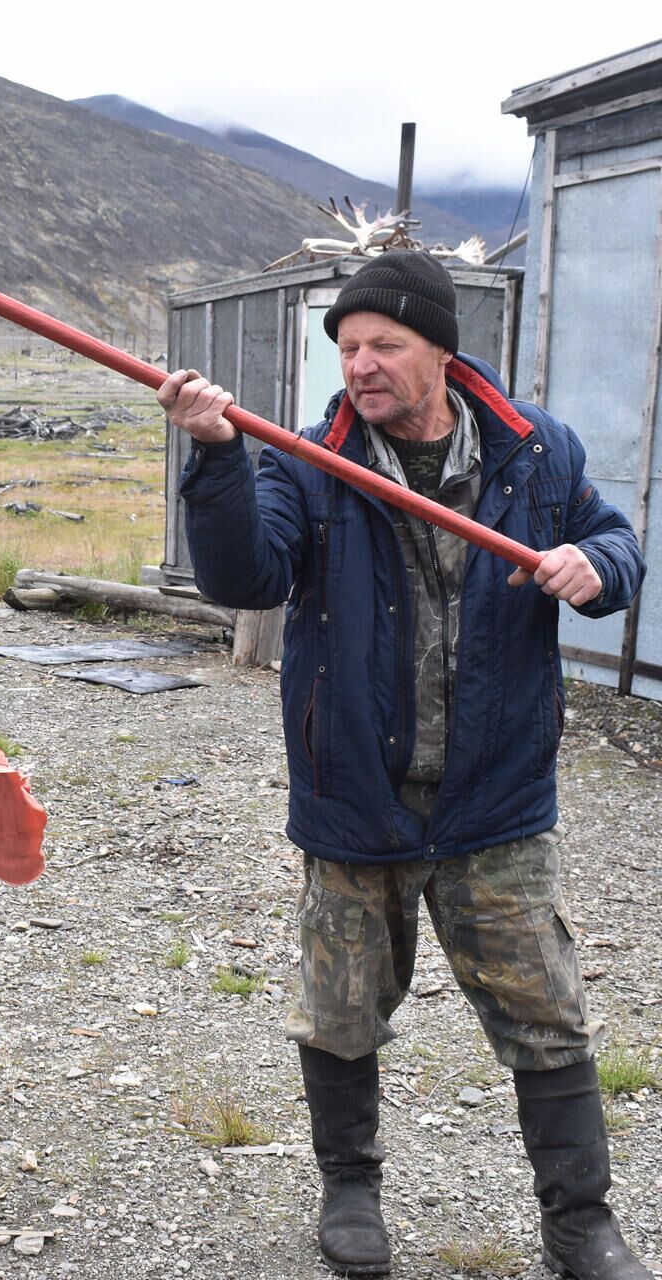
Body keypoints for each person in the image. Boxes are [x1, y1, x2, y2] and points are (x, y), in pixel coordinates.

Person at [157, 250, 648, 1280]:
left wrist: (594, 563)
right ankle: (349, 1190)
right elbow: (243, 573)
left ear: (437, 347)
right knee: (340, 1009)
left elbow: (614, 540)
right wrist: (211, 457)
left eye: (383, 343)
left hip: (494, 797)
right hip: (356, 793)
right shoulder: (308, 458)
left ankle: (578, 1221)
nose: (361, 364)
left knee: (545, 1012)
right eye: (346, 348)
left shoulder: (534, 452)